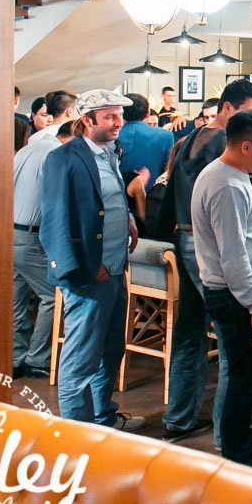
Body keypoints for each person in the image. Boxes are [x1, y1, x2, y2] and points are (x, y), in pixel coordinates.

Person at [158, 80, 252, 443]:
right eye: (249, 112)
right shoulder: (224, 145)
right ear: (228, 108)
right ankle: (227, 433)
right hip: (206, 243)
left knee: (189, 332)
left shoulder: (194, 136)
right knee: (231, 337)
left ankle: (179, 418)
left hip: (183, 237)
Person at [39, 89, 145, 431]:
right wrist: (81, 269)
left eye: (120, 116)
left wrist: (127, 218)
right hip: (89, 274)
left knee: (111, 350)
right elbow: (55, 220)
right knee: (81, 359)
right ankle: (78, 434)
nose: (119, 123)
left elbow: (106, 198)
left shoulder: (111, 151)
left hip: (115, 268)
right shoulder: (63, 157)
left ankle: (104, 420)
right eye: (110, 117)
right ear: (87, 120)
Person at [193, 110, 252, 469]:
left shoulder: (228, 175)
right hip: (236, 296)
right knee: (243, 377)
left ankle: (240, 441)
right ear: (246, 146)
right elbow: (233, 257)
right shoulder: (226, 185)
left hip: (235, 291)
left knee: (247, 373)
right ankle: (236, 457)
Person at [9, 90, 79, 378]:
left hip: (9, 231)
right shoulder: (56, 154)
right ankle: (37, 359)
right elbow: (56, 200)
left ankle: (15, 357)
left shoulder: (29, 148)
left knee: (16, 299)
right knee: (53, 295)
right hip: (31, 236)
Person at [118, 92, 174, 188]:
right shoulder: (165, 135)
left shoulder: (111, 135)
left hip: (115, 192)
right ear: (148, 113)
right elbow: (168, 170)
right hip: (153, 192)